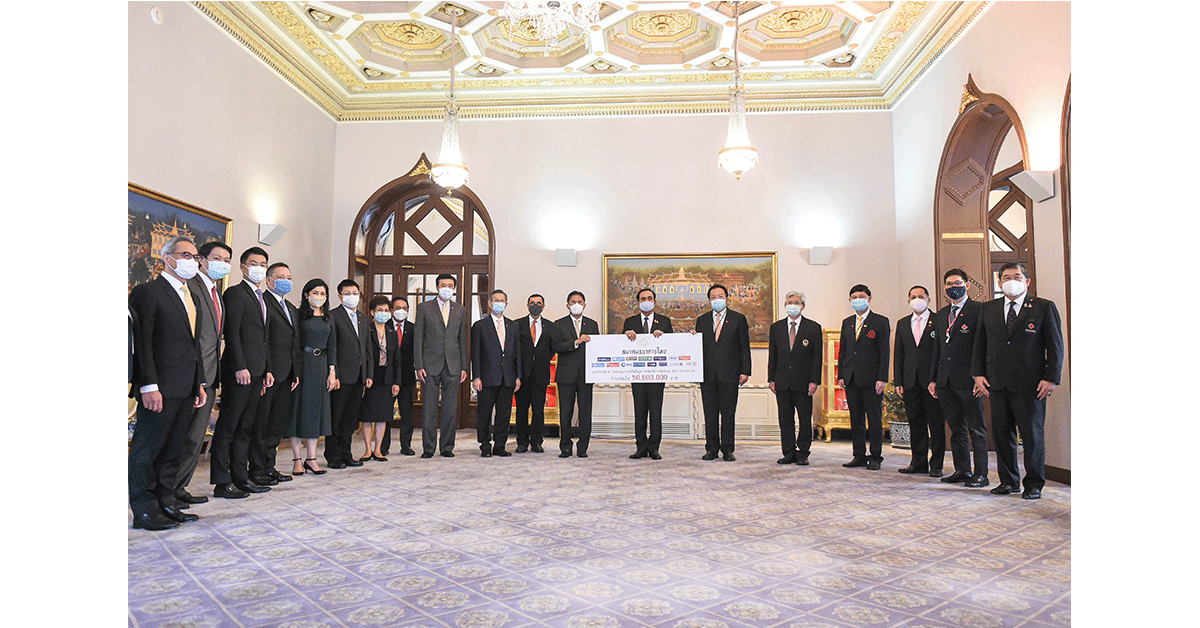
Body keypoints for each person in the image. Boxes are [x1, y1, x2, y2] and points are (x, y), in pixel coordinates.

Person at [128, 235, 206, 530]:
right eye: (185, 255)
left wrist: (199, 383)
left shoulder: (191, 296)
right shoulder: (148, 292)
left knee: (174, 450)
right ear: (167, 258)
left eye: (195, 257)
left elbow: (193, 345)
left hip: (186, 385)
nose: (191, 261)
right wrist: (148, 385)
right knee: (148, 450)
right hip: (159, 387)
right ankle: (144, 510)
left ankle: (166, 501)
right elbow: (142, 343)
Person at [972, 262, 1064, 500]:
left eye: (1017, 276)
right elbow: (979, 344)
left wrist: (1051, 378)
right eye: (1006, 277)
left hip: (1031, 384)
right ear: (999, 281)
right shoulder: (988, 308)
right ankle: (1008, 481)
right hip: (997, 383)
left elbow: (1055, 346)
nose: (1011, 281)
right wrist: (978, 374)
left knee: (1032, 436)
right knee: (1002, 436)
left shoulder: (1043, 307)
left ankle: (1033, 483)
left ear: (1027, 281)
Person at [169, 240, 230, 508]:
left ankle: (179, 487)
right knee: (180, 437)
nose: (222, 264)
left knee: (194, 437)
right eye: (217, 259)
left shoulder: (216, 292)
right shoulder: (190, 288)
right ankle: (167, 491)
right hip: (192, 375)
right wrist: (199, 377)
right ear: (202, 261)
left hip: (211, 374)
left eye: (226, 260)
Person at [212, 246, 272, 498]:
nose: (259, 268)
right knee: (229, 426)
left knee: (246, 427)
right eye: (254, 263)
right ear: (243, 267)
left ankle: (241, 477)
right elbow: (232, 333)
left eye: (263, 264)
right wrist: (240, 366)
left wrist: (267, 369)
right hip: (240, 370)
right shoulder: (236, 293)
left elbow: (263, 338)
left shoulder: (261, 297)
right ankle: (222, 481)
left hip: (257, 370)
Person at [929, 269, 989, 486]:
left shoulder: (979, 310)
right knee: (956, 429)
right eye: (948, 284)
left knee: (976, 428)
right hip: (945, 380)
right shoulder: (942, 314)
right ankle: (962, 469)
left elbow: (983, 346)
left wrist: (980, 375)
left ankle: (981, 474)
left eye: (957, 283)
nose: (953, 287)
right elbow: (938, 348)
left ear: (967, 285)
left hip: (969, 380)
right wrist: (933, 379)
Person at [250, 262, 299, 486]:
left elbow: (294, 342)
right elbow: (264, 341)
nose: (286, 281)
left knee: (276, 425)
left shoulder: (290, 307)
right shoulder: (263, 303)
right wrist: (266, 370)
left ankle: (269, 467)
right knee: (262, 424)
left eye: (289, 278)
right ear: (269, 280)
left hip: (287, 374)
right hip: (269, 374)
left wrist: (295, 372)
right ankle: (257, 469)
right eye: (281, 277)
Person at [413, 274, 469, 458]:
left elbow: (462, 339)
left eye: (450, 285)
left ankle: (447, 447)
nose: (447, 288)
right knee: (429, 409)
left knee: (450, 410)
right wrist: (418, 364)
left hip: (453, 364)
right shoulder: (424, 308)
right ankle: (428, 448)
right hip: (429, 364)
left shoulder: (460, 309)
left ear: (454, 288)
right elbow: (418, 337)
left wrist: (463, 366)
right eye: (443, 285)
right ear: (437, 287)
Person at [694, 284, 751, 462]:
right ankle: (711, 449)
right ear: (709, 300)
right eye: (713, 297)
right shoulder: (702, 320)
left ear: (726, 298)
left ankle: (728, 449)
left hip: (730, 374)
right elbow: (698, 347)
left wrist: (745, 371)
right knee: (710, 414)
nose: (717, 299)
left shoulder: (738, 319)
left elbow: (744, 346)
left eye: (720, 296)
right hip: (707, 374)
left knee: (728, 413)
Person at [837, 284, 891, 471]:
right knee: (856, 419)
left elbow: (884, 352)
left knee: (874, 419)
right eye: (854, 297)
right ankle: (858, 455)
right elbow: (843, 351)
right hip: (851, 378)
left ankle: (875, 456)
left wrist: (882, 378)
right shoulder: (847, 322)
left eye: (861, 296)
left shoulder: (880, 321)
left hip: (872, 380)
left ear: (869, 298)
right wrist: (841, 375)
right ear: (850, 300)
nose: (857, 300)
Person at [894, 285, 945, 477]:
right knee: (916, 423)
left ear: (928, 300)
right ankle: (918, 462)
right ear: (908, 301)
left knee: (936, 424)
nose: (917, 300)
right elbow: (899, 353)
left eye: (921, 296)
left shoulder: (938, 320)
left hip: (932, 382)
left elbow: (942, 352)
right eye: (913, 297)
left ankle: (937, 465)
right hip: (910, 381)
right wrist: (898, 381)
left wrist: (937, 379)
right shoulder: (902, 323)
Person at [767, 291, 822, 465]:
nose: (793, 305)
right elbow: (773, 355)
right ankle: (788, 452)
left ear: (803, 306)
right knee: (785, 420)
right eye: (789, 302)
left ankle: (803, 452)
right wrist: (771, 379)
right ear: (785, 306)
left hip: (804, 383)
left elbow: (817, 357)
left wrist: (814, 380)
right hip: (782, 381)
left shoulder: (813, 328)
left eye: (796, 302)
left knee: (805, 419)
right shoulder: (776, 328)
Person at [288, 279, 336, 476]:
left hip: (322, 366)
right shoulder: (298, 315)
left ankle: (312, 458)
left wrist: (332, 371)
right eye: (315, 293)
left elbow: (332, 346)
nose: (319, 297)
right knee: (299, 411)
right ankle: (297, 460)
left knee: (316, 412)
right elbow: (293, 344)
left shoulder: (328, 317)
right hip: (303, 365)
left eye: (323, 293)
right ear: (306, 294)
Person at [326, 279, 373, 469]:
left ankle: (346, 454)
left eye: (355, 293)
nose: (352, 297)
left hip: (358, 376)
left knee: (351, 420)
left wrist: (368, 374)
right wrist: (334, 373)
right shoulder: (333, 316)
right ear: (340, 296)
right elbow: (332, 348)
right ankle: (333, 456)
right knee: (336, 418)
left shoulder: (362, 318)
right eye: (347, 293)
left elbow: (367, 349)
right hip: (341, 376)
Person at [471, 290, 523, 457]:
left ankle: (500, 446)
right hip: (487, 378)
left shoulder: (513, 326)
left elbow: (517, 353)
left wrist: (518, 376)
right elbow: (475, 353)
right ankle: (485, 445)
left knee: (504, 414)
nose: (499, 303)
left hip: (507, 378)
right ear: (490, 303)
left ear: (506, 304)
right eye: (496, 300)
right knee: (484, 414)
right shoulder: (480, 326)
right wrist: (476, 377)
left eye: (502, 301)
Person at [623, 288, 673, 460]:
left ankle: (654, 448)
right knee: (640, 412)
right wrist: (626, 334)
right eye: (643, 298)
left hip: (657, 375)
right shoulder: (630, 321)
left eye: (649, 298)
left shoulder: (664, 321)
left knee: (656, 412)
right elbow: (622, 346)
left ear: (655, 302)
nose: (646, 301)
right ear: (638, 302)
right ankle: (640, 447)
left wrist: (664, 336)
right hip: (637, 374)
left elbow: (672, 345)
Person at [553, 291, 598, 458]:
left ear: (584, 305)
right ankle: (565, 447)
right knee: (565, 413)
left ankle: (583, 447)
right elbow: (556, 346)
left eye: (579, 301)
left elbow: (597, 349)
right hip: (566, 375)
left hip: (586, 375)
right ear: (568, 305)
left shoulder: (592, 324)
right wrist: (575, 342)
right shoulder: (559, 324)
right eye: (573, 302)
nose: (576, 304)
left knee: (585, 413)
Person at [514, 294, 555, 454]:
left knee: (538, 411)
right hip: (522, 375)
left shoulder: (550, 326)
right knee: (521, 410)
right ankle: (522, 442)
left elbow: (551, 349)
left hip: (540, 374)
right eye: (532, 303)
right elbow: (514, 348)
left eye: (538, 303)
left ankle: (537, 442)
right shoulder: (517, 324)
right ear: (527, 305)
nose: (535, 305)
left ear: (543, 307)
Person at [359, 295, 398, 462]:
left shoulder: (392, 332)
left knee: (383, 415)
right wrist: (365, 377)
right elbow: (363, 356)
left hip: (387, 377)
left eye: (386, 310)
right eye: (380, 310)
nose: (383, 313)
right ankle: (367, 449)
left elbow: (396, 359)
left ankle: (378, 449)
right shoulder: (366, 330)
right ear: (372, 312)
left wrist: (396, 382)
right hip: (371, 377)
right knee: (367, 415)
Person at [382, 296, 416, 457]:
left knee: (407, 413)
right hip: (388, 377)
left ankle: (406, 445)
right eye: (397, 308)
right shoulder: (384, 326)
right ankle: (383, 446)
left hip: (407, 376)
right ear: (391, 310)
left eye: (404, 308)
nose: (401, 311)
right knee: (385, 412)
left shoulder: (413, 328)